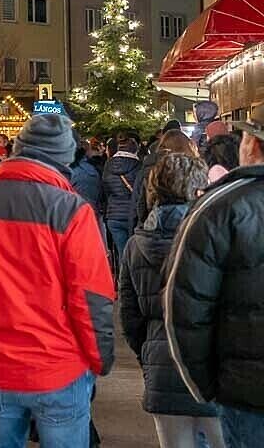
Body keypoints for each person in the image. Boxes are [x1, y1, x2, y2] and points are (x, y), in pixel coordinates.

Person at [0, 114, 115, 448]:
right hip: (59, 366)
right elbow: (92, 298)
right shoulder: (72, 210)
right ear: (65, 158)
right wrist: (99, 360)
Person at [164, 105, 264, 447]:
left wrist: (205, 386)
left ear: (251, 145)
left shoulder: (218, 208)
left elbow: (185, 306)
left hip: (246, 392)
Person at [120, 152, 225, 448]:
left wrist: (147, 355)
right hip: (212, 366)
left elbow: (130, 317)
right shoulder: (215, 233)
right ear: (197, 188)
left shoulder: (134, 245)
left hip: (161, 363)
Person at [132, 126, 194, 227]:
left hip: (155, 227)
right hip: (188, 226)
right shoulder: (194, 169)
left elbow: (140, 205)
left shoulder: (151, 169)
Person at [101, 133, 141, 266]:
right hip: (133, 215)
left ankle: (122, 283)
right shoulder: (138, 165)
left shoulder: (108, 165)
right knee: (134, 254)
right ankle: (133, 284)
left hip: (114, 215)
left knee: (121, 252)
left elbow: (106, 190)